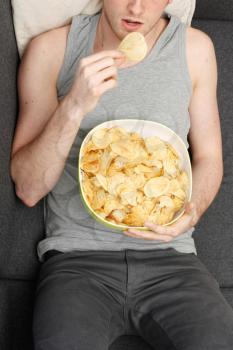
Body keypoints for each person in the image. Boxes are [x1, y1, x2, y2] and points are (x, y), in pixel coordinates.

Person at [10, 0, 233, 349]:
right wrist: (74, 105)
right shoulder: (51, 49)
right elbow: (28, 188)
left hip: (172, 261)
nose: (136, 7)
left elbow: (209, 157)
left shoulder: (195, 49)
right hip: (77, 263)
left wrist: (191, 212)